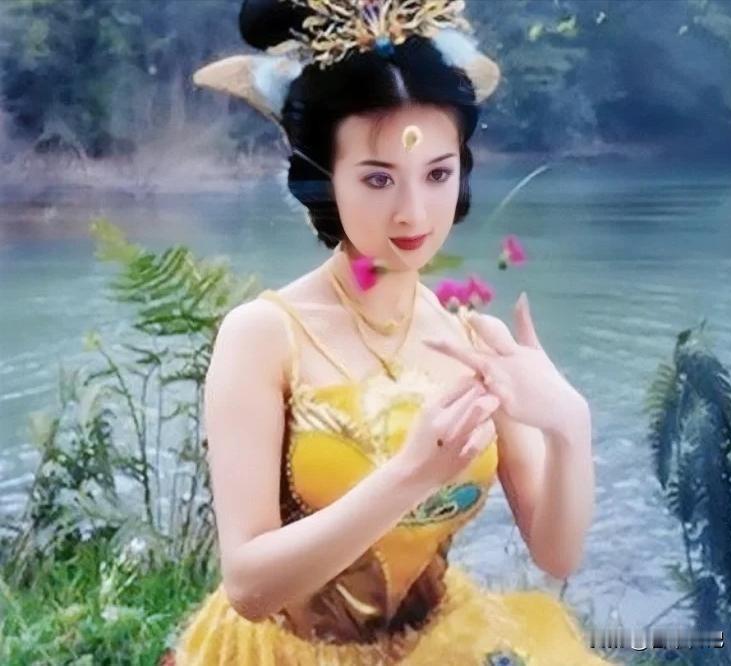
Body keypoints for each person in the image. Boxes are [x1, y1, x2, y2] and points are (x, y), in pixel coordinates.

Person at [170, 1, 617, 664]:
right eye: (378, 179)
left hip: (440, 641)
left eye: (437, 174)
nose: (413, 212)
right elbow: (248, 585)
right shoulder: (264, 335)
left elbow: (556, 554)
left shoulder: (475, 341)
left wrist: (568, 425)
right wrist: (412, 474)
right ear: (322, 178)